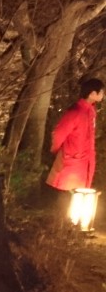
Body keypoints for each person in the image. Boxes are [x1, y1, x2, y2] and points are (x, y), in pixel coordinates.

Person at [46, 77, 103, 219]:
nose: (103, 95)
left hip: (82, 161)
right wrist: (56, 150)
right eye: (101, 92)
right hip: (72, 161)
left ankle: (72, 227)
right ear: (92, 93)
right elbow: (59, 133)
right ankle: (62, 227)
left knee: (77, 195)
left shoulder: (90, 111)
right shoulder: (76, 111)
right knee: (67, 195)